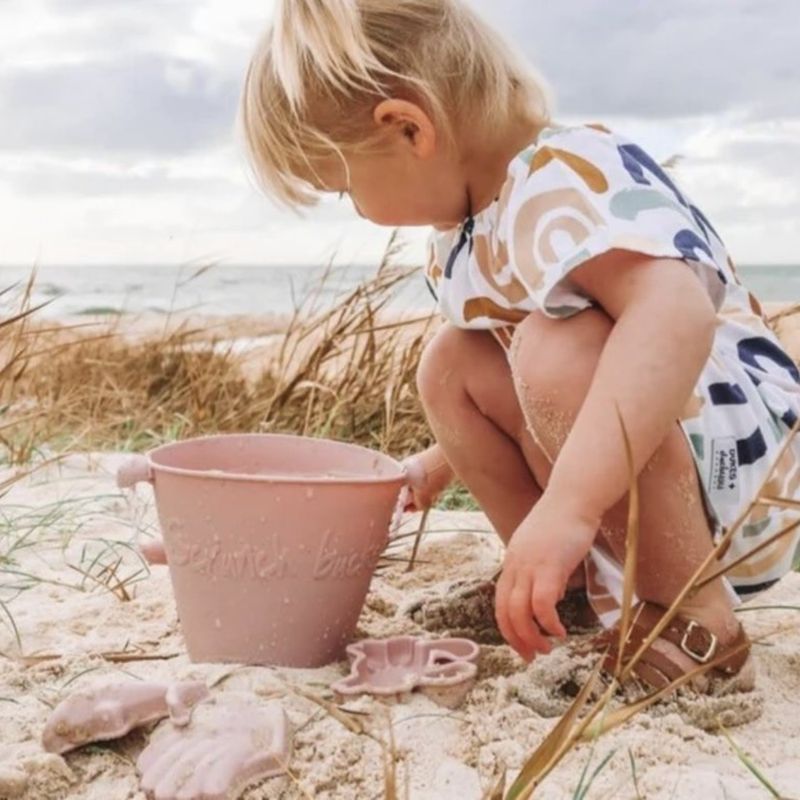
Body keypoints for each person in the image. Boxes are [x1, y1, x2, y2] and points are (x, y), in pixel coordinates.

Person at [240, 0, 800, 693]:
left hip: (749, 474)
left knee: (551, 347)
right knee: (454, 364)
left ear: (408, 127)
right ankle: (562, 587)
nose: (357, 209)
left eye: (344, 188)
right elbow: (530, 390)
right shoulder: (468, 236)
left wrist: (569, 506)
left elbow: (673, 313)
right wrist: (439, 462)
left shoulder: (563, 176)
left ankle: (694, 620)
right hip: (669, 458)